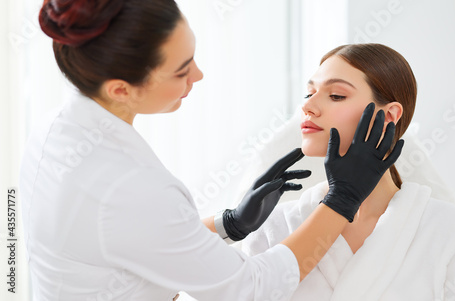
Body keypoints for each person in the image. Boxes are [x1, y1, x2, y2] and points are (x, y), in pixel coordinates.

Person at [19, 1, 404, 300]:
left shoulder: (58, 130)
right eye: (181, 70)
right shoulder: (127, 185)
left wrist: (229, 224)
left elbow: (143, 238)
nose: (198, 75)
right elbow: (248, 290)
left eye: (336, 94)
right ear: (121, 89)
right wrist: (342, 200)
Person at [241, 43, 455, 300]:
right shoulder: (274, 226)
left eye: (336, 95)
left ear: (388, 115)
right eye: (309, 94)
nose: (308, 107)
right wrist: (231, 223)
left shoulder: (450, 232)